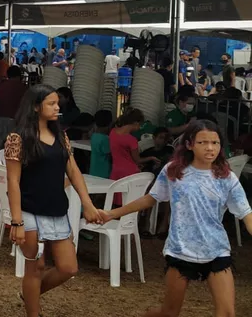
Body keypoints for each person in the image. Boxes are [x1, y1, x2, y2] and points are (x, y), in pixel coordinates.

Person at [100, 120, 252, 317]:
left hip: (216, 250)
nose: (210, 148)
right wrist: (112, 214)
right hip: (180, 251)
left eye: (215, 143)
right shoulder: (174, 171)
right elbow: (150, 199)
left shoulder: (227, 177)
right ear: (189, 144)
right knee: (169, 313)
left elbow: (246, 213)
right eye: (203, 142)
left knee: (227, 313)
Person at [4, 84, 101, 317]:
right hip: (28, 210)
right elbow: (13, 182)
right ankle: (33, 312)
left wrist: (87, 203)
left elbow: (74, 172)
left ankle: (29, 296)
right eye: (51, 103)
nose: (58, 108)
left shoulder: (61, 136)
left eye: (58, 103)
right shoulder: (18, 138)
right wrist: (16, 221)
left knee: (68, 268)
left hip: (57, 209)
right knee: (34, 267)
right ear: (36, 107)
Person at [110, 109, 160, 187]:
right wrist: (151, 158)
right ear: (136, 123)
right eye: (140, 125)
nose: (139, 128)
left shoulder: (112, 132)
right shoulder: (132, 140)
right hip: (129, 173)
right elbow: (138, 160)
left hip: (115, 170)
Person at [88, 110, 113, 178]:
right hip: (103, 173)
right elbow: (111, 156)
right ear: (110, 124)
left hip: (93, 171)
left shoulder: (94, 136)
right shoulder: (105, 139)